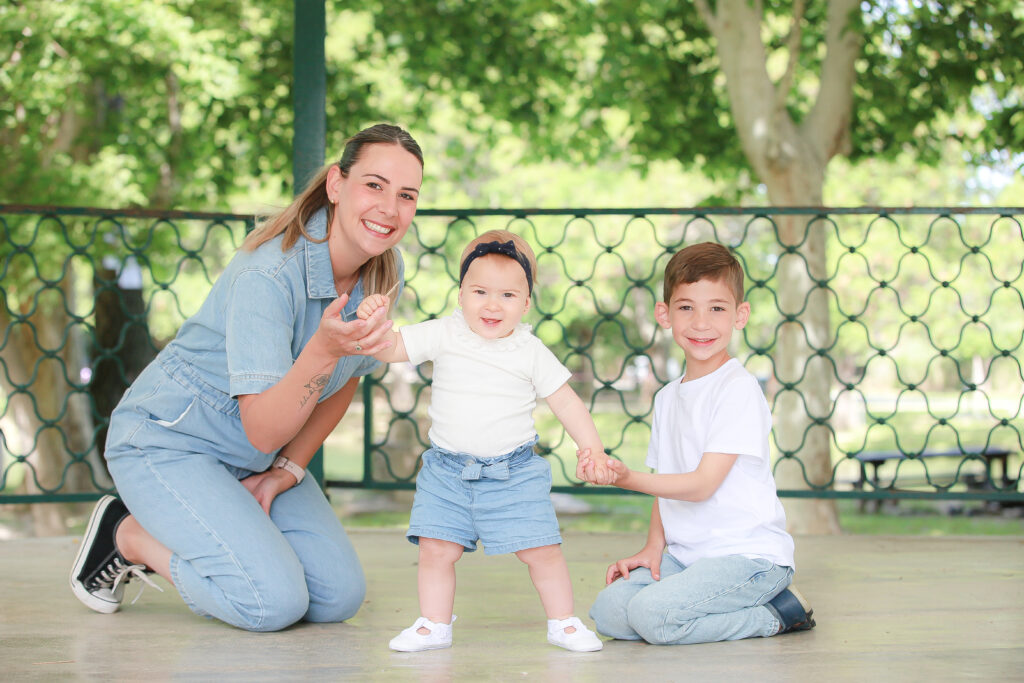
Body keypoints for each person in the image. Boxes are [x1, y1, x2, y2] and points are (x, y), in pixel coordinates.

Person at [69, 123, 424, 632]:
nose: (389, 209)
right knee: (270, 604)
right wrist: (321, 351)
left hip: (253, 456)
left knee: (337, 597)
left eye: (406, 195)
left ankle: (228, 528)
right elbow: (263, 424)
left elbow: (349, 376)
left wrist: (288, 471)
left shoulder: (385, 269)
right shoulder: (269, 274)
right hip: (171, 442)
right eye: (374, 185)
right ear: (336, 185)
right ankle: (125, 535)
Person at [355, 230, 612, 652]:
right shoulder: (444, 333)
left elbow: (566, 403)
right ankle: (433, 624)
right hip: (447, 471)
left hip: (514, 471)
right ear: (460, 295)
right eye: (480, 291)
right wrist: (372, 320)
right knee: (436, 549)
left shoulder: (529, 350)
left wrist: (592, 447)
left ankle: (563, 622)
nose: (492, 304)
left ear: (526, 303)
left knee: (541, 550)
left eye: (508, 295)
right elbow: (389, 347)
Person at [579, 241, 815, 646]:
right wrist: (654, 547)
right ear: (664, 313)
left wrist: (626, 478)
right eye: (686, 307)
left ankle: (778, 612)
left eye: (717, 309)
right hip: (687, 557)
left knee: (654, 617)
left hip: (748, 559)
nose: (701, 323)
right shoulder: (668, 397)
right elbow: (666, 480)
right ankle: (695, 601)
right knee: (609, 613)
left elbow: (703, 484)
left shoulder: (737, 389)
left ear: (740, 315)